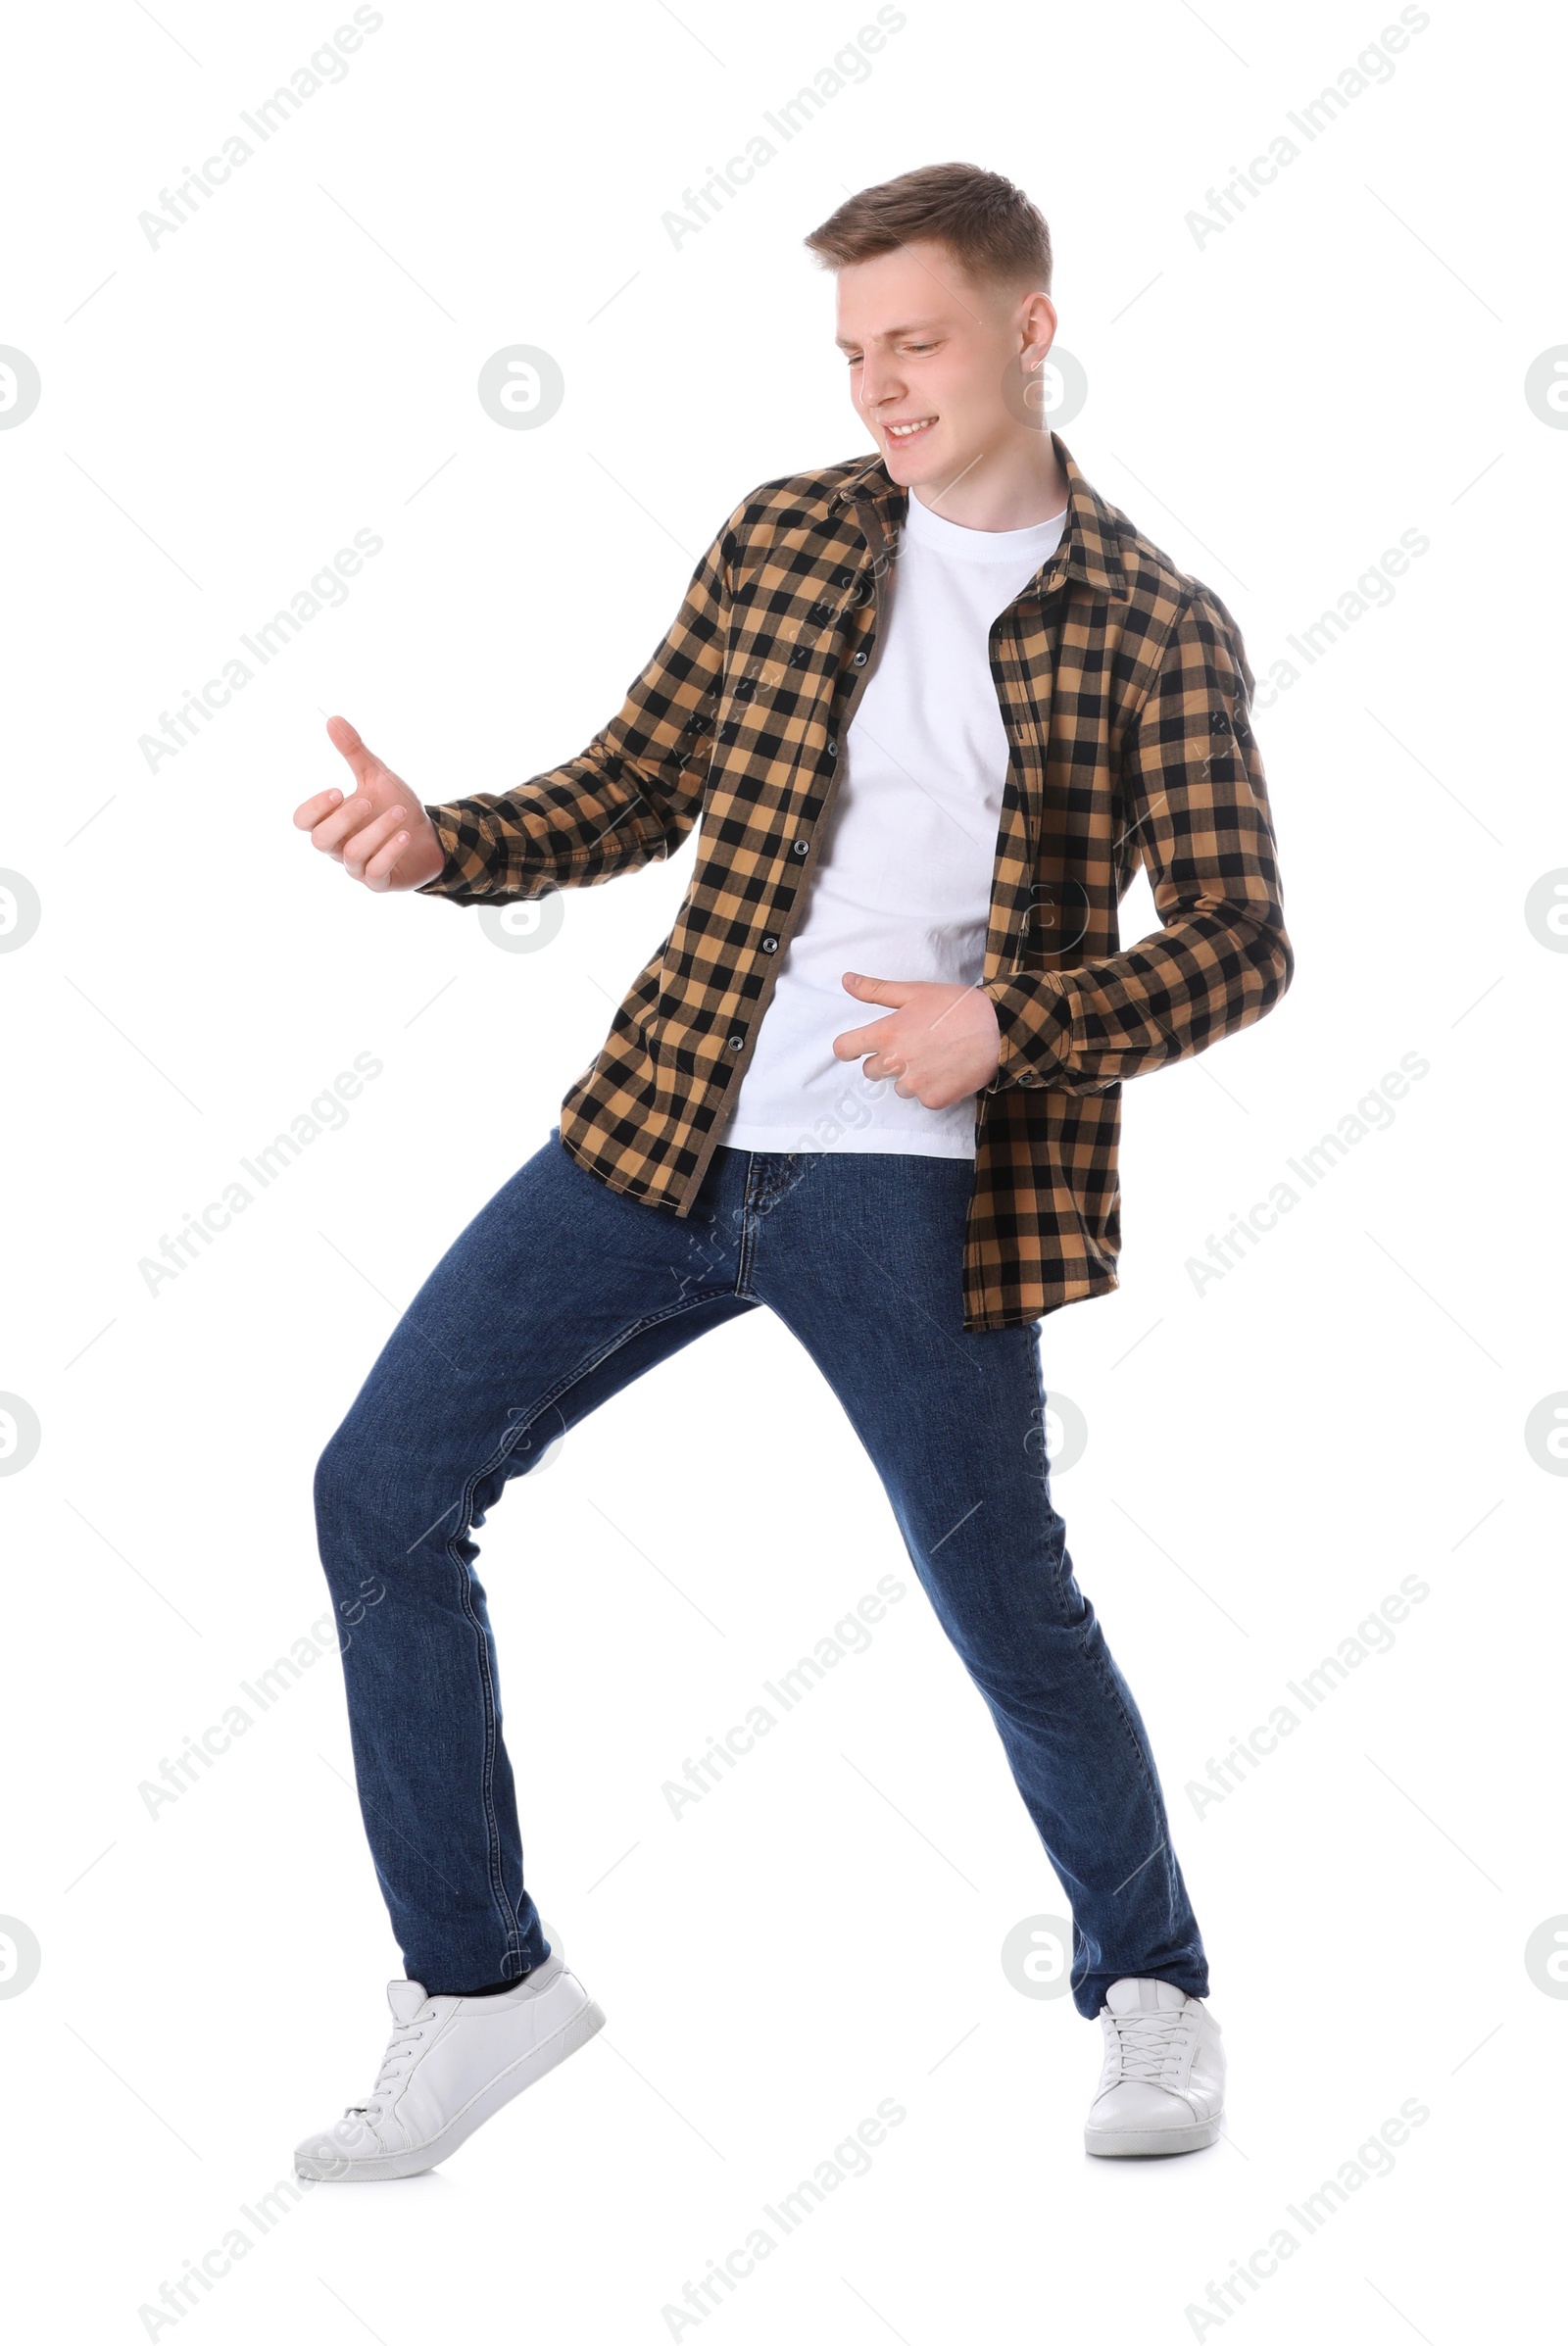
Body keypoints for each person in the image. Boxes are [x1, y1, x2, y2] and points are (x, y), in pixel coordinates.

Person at [289, 161, 1290, 2181]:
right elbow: (639, 781)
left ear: (1026, 326)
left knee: (999, 1595)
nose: (878, 392)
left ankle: (1151, 1987)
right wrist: (446, 842)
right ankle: (478, 1991)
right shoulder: (786, 538)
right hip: (665, 1121)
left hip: (913, 1183)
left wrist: (1013, 1023)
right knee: (381, 1488)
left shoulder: (1151, 627)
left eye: (912, 343)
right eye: (850, 355)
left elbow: (1235, 940)